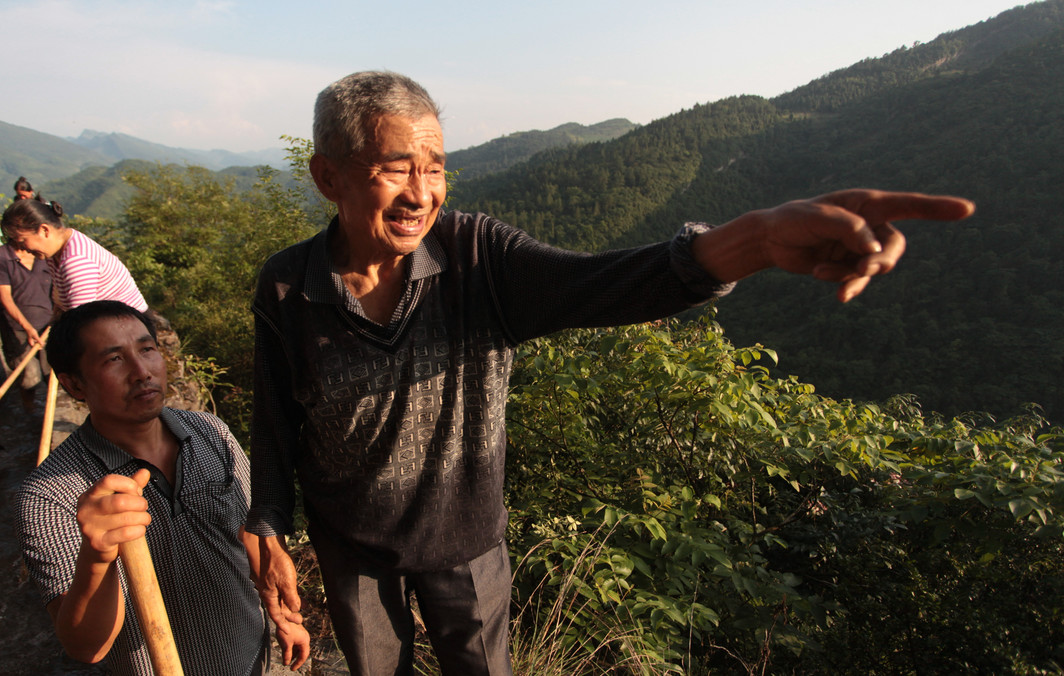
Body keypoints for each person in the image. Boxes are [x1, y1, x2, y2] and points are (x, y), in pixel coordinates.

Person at [247, 70, 976, 675]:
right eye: (396, 167)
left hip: (463, 540)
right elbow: (277, 417)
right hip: (351, 548)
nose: (422, 191)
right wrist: (270, 520)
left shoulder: (476, 259)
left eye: (435, 167)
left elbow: (606, 283)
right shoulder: (287, 286)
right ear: (328, 177)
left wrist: (750, 240)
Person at [16, 300, 310, 674]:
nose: (141, 372)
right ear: (74, 384)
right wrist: (97, 554)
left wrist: (283, 615)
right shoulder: (50, 496)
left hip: (253, 659)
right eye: (114, 360)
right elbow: (86, 647)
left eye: (147, 350)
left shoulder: (210, 433)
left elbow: (249, 531)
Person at [0, 199, 148, 312]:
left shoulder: (77, 260)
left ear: (44, 230)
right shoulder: (55, 252)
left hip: (128, 330)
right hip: (104, 324)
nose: (23, 249)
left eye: (22, 241)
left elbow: (81, 320)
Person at [0, 242, 53, 411]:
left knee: (51, 373)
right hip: (17, 327)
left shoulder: (45, 253)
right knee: (29, 375)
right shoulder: (2, 257)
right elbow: (5, 298)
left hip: (48, 325)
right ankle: (29, 410)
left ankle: (49, 416)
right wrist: (27, 327)